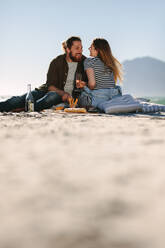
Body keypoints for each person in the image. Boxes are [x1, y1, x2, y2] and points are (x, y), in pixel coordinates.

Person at [0, 36, 87, 112]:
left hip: (61, 98)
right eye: (77, 48)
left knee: (52, 97)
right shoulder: (57, 62)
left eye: (81, 48)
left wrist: (84, 84)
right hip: (46, 90)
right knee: (18, 100)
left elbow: (92, 83)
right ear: (68, 49)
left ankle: (25, 109)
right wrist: (63, 94)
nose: (80, 51)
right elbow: (50, 86)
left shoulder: (85, 62)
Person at [76, 38, 123, 109]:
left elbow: (92, 84)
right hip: (114, 98)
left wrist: (84, 86)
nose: (89, 49)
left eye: (91, 47)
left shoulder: (89, 61)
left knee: (80, 98)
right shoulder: (110, 63)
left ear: (97, 50)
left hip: (97, 98)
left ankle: (95, 106)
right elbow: (107, 84)